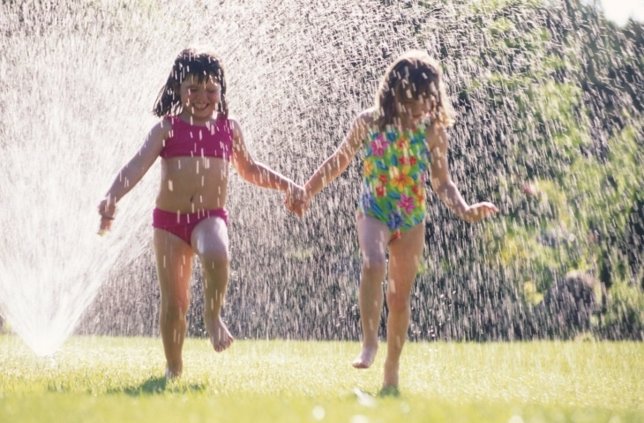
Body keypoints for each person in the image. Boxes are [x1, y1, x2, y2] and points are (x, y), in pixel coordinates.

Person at [288, 50, 498, 393]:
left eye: (427, 104)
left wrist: (464, 209)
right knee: (372, 263)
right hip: (374, 210)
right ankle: (369, 340)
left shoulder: (433, 132)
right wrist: (307, 190)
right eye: (412, 103)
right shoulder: (369, 122)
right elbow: (339, 160)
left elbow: (442, 182)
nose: (419, 111)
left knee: (399, 299)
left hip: (412, 217)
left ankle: (391, 370)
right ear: (394, 96)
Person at [98, 48, 303, 380]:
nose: (202, 97)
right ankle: (173, 367)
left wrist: (287, 184)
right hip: (168, 224)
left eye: (211, 90)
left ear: (221, 91)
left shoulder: (228, 127)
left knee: (217, 252)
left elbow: (249, 169)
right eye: (192, 89)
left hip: (209, 217)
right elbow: (137, 165)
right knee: (174, 305)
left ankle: (213, 316)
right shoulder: (167, 128)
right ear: (178, 90)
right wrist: (112, 195)